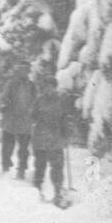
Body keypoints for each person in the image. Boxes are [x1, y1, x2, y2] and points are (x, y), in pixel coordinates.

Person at [31, 74, 73, 207]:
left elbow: (65, 120)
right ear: (44, 88)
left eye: (52, 87)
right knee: (40, 167)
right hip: (41, 140)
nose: (49, 89)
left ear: (55, 87)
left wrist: (66, 135)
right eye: (47, 87)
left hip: (56, 140)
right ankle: (36, 192)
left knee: (57, 168)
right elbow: (31, 117)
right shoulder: (39, 101)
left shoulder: (61, 101)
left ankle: (58, 193)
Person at [0, 60, 36, 179]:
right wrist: (3, 105)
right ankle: (5, 166)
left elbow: (35, 101)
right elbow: (3, 97)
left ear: (28, 71)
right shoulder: (11, 84)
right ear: (18, 70)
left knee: (24, 149)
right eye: (21, 69)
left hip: (25, 120)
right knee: (7, 145)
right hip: (11, 118)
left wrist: (33, 112)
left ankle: (22, 170)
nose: (23, 72)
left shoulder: (32, 85)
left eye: (26, 69)